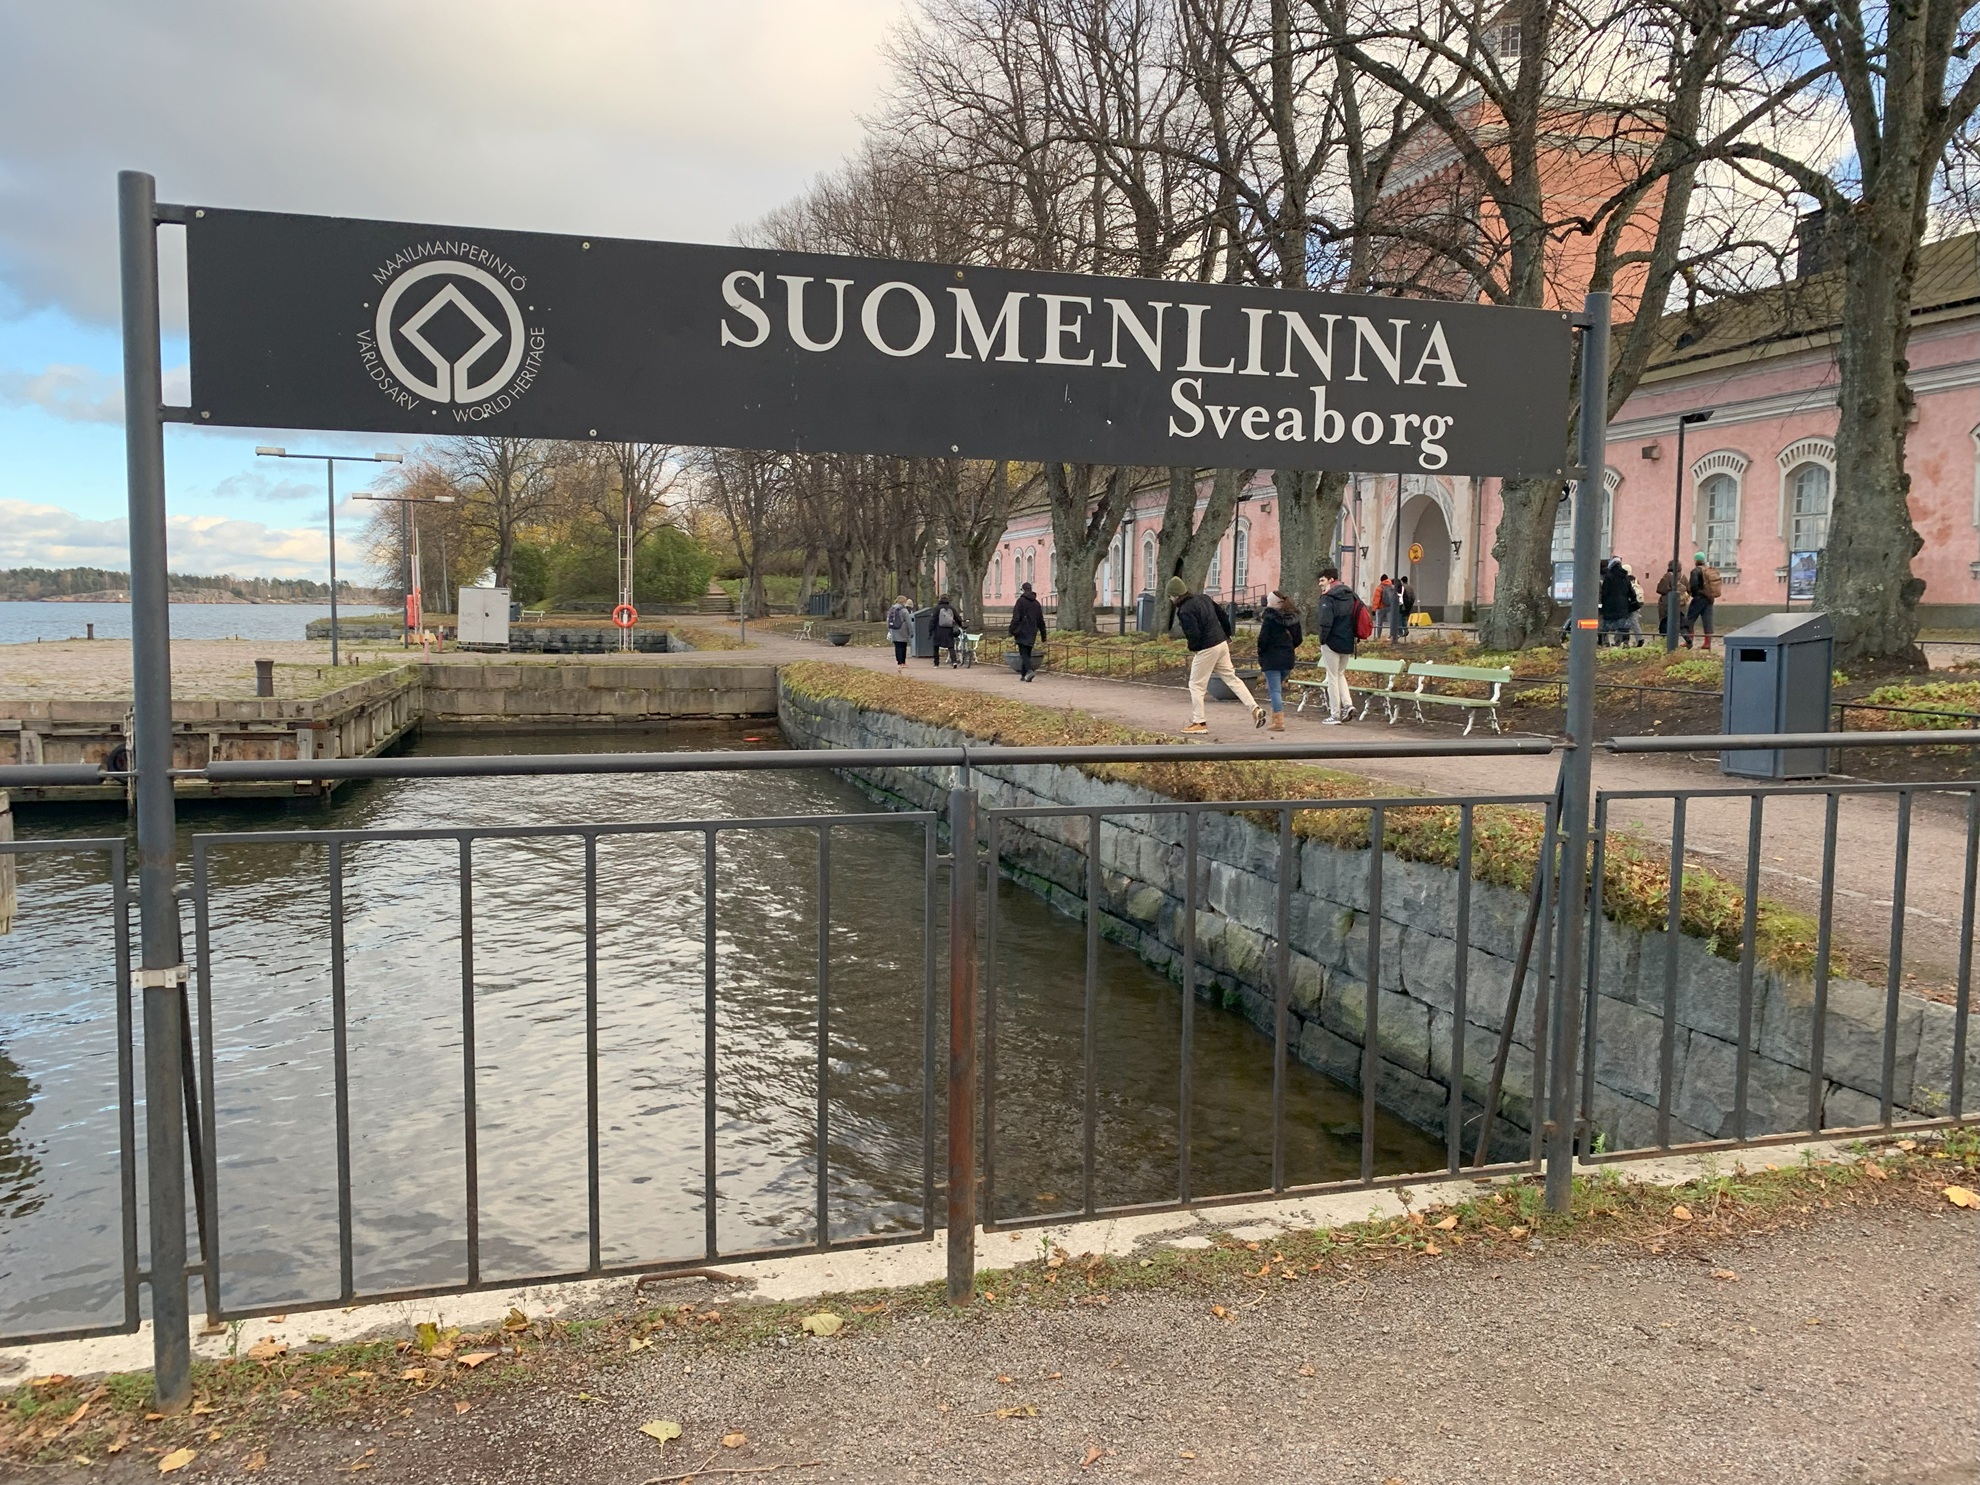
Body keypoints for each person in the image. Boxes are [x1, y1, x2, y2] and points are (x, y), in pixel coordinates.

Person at [1169, 575, 1266, 733]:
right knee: (1232, 678)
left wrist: (1194, 648)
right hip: (1221, 642)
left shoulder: (1184, 610)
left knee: (1196, 685)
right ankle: (1254, 708)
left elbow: (1193, 633)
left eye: (1171, 597)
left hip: (1207, 647)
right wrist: (1227, 635)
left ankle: (1199, 722)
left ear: (1175, 595)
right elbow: (1222, 615)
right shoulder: (1204, 598)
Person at [1314, 565, 1361, 724]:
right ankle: (1348, 705)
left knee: (1332, 676)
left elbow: (1324, 622)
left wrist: (1322, 639)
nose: (1320, 584)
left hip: (1331, 642)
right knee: (1339, 674)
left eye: (1322, 580)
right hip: (1348, 641)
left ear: (1331, 580)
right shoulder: (1351, 595)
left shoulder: (1328, 598)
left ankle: (1335, 714)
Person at [1255, 589, 1303, 732]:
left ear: (1272, 604)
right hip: (1287, 658)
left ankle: (1278, 721)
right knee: (1275, 688)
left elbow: (1263, 639)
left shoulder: (1269, 618)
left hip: (1271, 658)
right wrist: (1288, 647)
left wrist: (1261, 652)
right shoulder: (1293, 618)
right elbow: (1298, 639)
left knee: (1274, 690)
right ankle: (1275, 716)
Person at [1008, 581, 1046, 681]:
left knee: (1023, 653)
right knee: (1027, 652)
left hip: (1021, 631)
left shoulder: (1020, 602)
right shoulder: (1036, 603)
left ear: (1023, 590)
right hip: (1032, 631)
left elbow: (1016, 618)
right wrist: (1043, 635)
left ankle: (1029, 671)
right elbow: (1040, 620)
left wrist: (1011, 630)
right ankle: (1024, 675)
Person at [1685, 551, 1720, 649]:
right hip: (1710, 598)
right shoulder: (1708, 570)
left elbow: (1694, 586)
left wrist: (1692, 593)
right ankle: (1707, 643)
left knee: (1690, 619)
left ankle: (1689, 640)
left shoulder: (1695, 571)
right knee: (1707, 620)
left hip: (1699, 598)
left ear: (1696, 560)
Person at [1598, 556, 1632, 646]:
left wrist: (1603, 602)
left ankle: (1602, 641)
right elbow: (1630, 591)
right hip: (1623, 605)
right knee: (1623, 626)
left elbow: (1605, 592)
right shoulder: (1625, 576)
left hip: (1610, 605)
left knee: (1606, 625)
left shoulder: (1608, 577)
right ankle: (1625, 642)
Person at [931, 594, 964, 667]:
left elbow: (933, 620)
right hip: (949, 630)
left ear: (940, 599)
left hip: (938, 630)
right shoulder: (951, 608)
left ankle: (936, 663)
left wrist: (931, 630)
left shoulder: (937, 608)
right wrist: (960, 625)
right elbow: (957, 618)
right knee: (950, 646)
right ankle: (954, 662)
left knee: (936, 647)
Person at [885, 593, 914, 671]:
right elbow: (908, 622)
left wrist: (889, 629)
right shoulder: (904, 610)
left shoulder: (892, 609)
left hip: (894, 629)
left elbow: (888, 620)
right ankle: (903, 662)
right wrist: (911, 632)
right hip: (902, 630)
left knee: (897, 647)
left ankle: (898, 662)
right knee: (903, 646)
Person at [1655, 559, 1681, 638]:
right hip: (1680, 602)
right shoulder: (1682, 576)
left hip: (1667, 602)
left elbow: (1660, 589)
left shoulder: (1668, 576)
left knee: (1664, 621)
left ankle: (1664, 638)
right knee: (1677, 621)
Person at [1373, 573, 1396, 642]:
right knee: (1391, 622)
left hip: (1381, 608)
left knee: (1379, 623)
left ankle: (1378, 637)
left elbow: (1376, 599)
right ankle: (1392, 636)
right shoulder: (1392, 587)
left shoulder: (1380, 587)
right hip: (1389, 607)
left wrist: (1374, 609)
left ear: (1381, 580)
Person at [1396, 575, 1415, 640]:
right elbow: (1413, 597)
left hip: (1402, 605)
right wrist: (1410, 604)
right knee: (1403, 617)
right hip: (1408, 605)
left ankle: (1403, 630)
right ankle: (1405, 629)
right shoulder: (1411, 587)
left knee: (1400, 618)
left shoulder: (1401, 587)